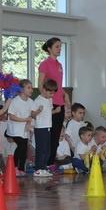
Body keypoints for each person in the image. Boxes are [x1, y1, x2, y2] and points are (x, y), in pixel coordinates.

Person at [37, 37, 70, 165]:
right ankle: (43, 164)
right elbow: (41, 85)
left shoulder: (59, 65)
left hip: (60, 103)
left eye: (60, 46)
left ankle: (50, 164)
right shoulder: (45, 64)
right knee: (48, 136)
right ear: (49, 48)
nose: (59, 49)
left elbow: (59, 86)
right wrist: (46, 101)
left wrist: (65, 96)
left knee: (56, 136)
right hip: (50, 104)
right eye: (57, 46)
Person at [6, 79, 40, 176]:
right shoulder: (15, 101)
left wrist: (38, 111)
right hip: (14, 130)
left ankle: (21, 169)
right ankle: (14, 167)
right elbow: (11, 116)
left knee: (24, 149)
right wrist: (25, 120)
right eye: (28, 88)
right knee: (21, 146)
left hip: (24, 130)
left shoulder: (31, 101)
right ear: (21, 89)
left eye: (32, 88)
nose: (31, 90)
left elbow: (32, 115)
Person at [32, 78, 58, 177]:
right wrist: (38, 111)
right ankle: (38, 169)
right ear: (43, 89)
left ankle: (43, 168)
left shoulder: (49, 100)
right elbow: (32, 114)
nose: (52, 95)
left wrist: (55, 111)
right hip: (40, 128)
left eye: (53, 93)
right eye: (50, 93)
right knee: (41, 149)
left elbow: (48, 112)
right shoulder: (38, 100)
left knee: (47, 150)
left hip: (48, 127)